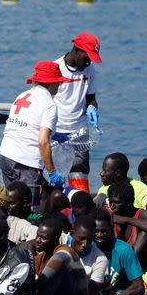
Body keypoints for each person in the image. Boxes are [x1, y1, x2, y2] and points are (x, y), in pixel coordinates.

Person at [0, 61, 71, 202]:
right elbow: (43, 141)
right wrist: (52, 172)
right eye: (58, 82)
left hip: (5, 156)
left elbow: (28, 126)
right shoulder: (49, 104)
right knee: (29, 208)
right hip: (25, 162)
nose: (60, 85)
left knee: (12, 203)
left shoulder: (22, 96)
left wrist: (54, 135)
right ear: (50, 83)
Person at [52, 32, 102, 192]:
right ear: (77, 49)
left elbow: (90, 98)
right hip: (56, 130)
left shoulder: (90, 71)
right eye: (87, 58)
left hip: (80, 130)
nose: (88, 62)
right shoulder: (55, 69)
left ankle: (79, 207)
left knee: (79, 172)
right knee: (55, 174)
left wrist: (92, 107)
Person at [31, 217, 92, 295]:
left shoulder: (65, 252)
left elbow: (42, 281)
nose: (38, 240)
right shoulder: (40, 258)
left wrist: (32, 289)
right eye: (38, 235)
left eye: (44, 238)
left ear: (56, 238)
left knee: (54, 279)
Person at [93, 208, 145, 295]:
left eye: (103, 231)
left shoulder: (124, 250)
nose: (99, 235)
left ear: (111, 228)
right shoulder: (88, 248)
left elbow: (139, 287)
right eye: (96, 231)